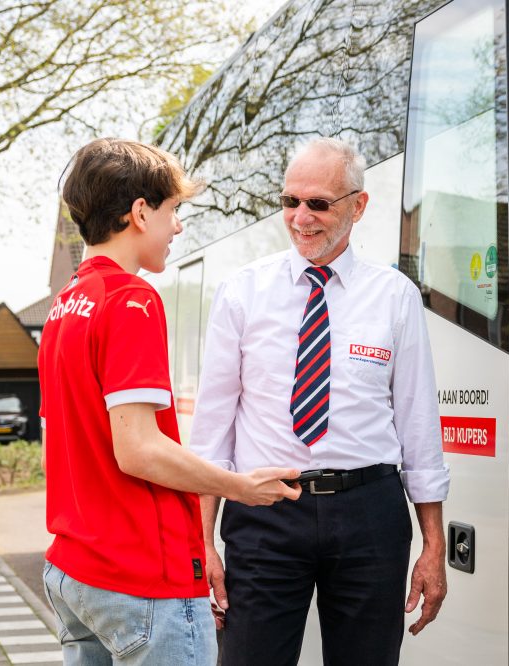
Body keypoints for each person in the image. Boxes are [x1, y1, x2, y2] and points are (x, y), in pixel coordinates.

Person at [38, 138, 304, 666]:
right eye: (172, 211)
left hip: (75, 571)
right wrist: (240, 487)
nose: (177, 227)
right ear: (139, 213)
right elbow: (137, 450)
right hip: (140, 578)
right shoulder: (131, 299)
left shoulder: (64, 306)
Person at [189, 137, 450, 666]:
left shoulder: (395, 295)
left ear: (358, 206)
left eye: (318, 204)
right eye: (290, 202)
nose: (300, 217)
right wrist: (202, 542)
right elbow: (212, 430)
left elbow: (418, 425)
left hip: (369, 513)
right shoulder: (242, 292)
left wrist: (433, 545)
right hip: (263, 511)